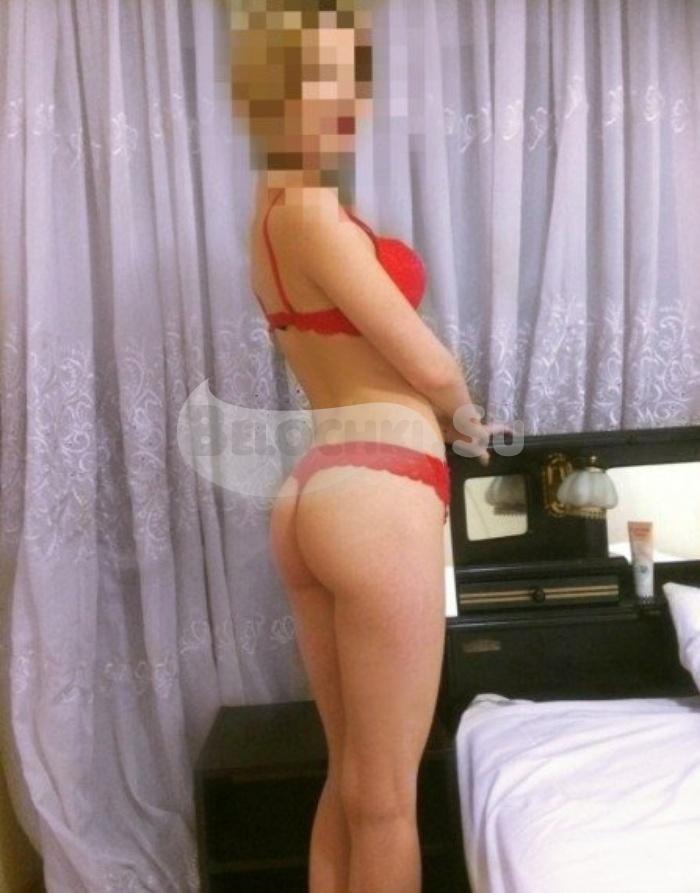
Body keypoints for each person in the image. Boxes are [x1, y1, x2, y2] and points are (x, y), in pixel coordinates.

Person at [231, 2, 504, 890]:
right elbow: (426, 361)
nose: (346, 98)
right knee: (387, 798)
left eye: (352, 76)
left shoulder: (270, 211)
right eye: (319, 78)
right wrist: (466, 418)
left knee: (352, 779)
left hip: (317, 487)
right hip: (377, 491)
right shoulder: (312, 210)